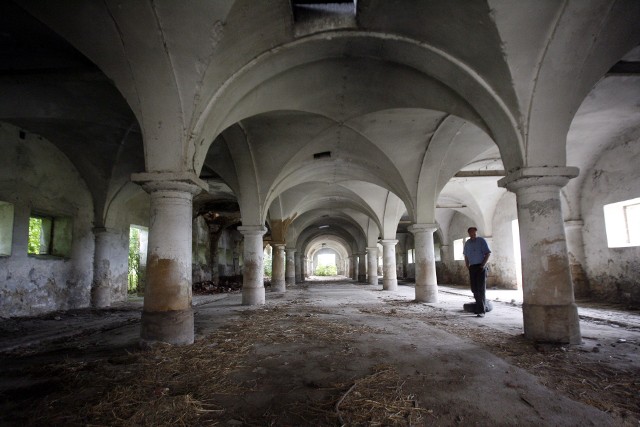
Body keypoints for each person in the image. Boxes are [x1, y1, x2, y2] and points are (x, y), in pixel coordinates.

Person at [463, 227, 491, 317]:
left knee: (481, 288)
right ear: (468, 233)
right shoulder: (467, 243)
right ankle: (479, 306)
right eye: (471, 233)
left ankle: (481, 310)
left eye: (474, 233)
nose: (473, 235)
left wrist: (482, 265)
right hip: (472, 267)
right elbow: (466, 255)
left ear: (476, 233)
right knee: (474, 289)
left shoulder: (481, 241)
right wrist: (467, 265)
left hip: (480, 266)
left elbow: (488, 253)